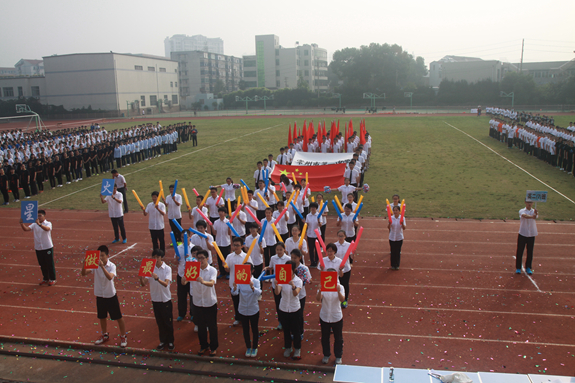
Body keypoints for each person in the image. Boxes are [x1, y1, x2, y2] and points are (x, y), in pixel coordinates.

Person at [81, 245, 127, 348]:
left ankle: (123, 336)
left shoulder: (112, 266)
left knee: (118, 317)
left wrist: (101, 267)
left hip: (110, 295)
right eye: (99, 255)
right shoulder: (95, 264)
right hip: (99, 295)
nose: (100, 258)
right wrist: (85, 264)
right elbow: (83, 273)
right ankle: (105, 334)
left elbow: (110, 277)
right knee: (102, 316)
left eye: (102, 255)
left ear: (107, 255)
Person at [139, 249, 174, 351]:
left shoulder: (167, 268)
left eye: (157, 257)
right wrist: (141, 277)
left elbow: (166, 284)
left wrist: (157, 278)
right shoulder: (149, 267)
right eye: (153, 257)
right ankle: (163, 340)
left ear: (161, 257)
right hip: (155, 299)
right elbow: (143, 283)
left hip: (165, 299)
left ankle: (171, 341)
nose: (155, 259)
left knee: (168, 322)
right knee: (160, 322)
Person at [186, 249, 218, 356]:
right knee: (201, 327)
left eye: (202, 258)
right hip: (197, 302)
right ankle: (203, 346)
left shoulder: (212, 270)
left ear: (207, 258)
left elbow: (212, 283)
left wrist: (203, 281)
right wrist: (185, 273)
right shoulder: (193, 269)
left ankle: (213, 347)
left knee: (212, 326)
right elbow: (184, 282)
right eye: (198, 258)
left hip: (210, 302)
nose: (200, 260)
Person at [316, 268, 345, 365]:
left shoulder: (340, 286)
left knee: (338, 338)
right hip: (324, 315)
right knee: (325, 337)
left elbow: (342, 300)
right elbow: (318, 299)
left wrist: (338, 291)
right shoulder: (323, 285)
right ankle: (326, 354)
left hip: (336, 316)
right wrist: (320, 290)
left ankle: (338, 356)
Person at [232, 263, 261, 357]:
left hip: (253, 309)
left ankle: (255, 347)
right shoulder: (240, 280)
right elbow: (235, 293)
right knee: (245, 329)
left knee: (254, 329)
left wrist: (252, 287)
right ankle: (248, 347)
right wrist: (235, 288)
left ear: (252, 271)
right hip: (243, 309)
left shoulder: (256, 281)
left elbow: (259, 293)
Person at [20, 209, 56, 285]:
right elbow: (26, 229)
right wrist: (22, 223)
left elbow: (47, 229)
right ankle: (45, 278)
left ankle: (52, 279)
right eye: (37, 216)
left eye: (40, 216)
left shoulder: (48, 223)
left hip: (47, 246)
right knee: (42, 264)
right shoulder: (34, 224)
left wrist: (39, 224)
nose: (38, 217)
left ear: (44, 216)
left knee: (49, 263)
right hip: (38, 247)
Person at [275, 260, 303, 359]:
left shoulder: (298, 280)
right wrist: (276, 284)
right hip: (283, 308)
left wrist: (293, 286)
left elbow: (296, 294)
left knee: (296, 331)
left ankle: (297, 349)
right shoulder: (282, 278)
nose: (287, 271)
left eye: (289, 270)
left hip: (294, 308)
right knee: (286, 330)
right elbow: (277, 293)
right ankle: (288, 347)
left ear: (294, 270)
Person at [225, 237, 252, 326]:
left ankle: (245, 318)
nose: (236, 247)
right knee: (236, 301)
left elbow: (251, 269)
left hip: (244, 283)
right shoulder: (229, 256)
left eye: (238, 245)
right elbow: (228, 270)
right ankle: (238, 317)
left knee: (244, 302)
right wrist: (225, 267)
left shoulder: (246, 256)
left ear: (242, 246)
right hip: (233, 283)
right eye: (234, 245)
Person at [267, 242, 291, 330]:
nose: (279, 251)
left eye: (281, 249)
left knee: (286, 301)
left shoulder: (288, 259)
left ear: (284, 249)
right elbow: (271, 267)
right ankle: (280, 321)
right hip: (276, 285)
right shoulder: (273, 258)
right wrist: (266, 268)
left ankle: (287, 321)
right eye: (277, 250)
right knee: (278, 303)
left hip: (285, 285)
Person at [292, 249, 311, 341]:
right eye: (291, 257)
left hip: (301, 295)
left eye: (295, 258)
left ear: (299, 258)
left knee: (299, 315)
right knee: (291, 315)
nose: (293, 259)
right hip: (291, 295)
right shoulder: (288, 267)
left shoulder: (304, 268)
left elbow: (308, 280)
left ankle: (300, 332)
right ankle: (293, 332)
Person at [516, 200, 538, 275]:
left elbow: (536, 217)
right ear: (525, 202)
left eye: (531, 202)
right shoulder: (522, 210)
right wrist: (532, 216)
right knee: (520, 251)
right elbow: (524, 216)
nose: (529, 204)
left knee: (530, 251)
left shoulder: (534, 211)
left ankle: (528, 267)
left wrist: (535, 214)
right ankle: (518, 268)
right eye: (528, 202)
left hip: (531, 234)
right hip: (523, 233)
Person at [213, 207, 232, 278]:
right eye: (219, 212)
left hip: (226, 243)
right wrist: (211, 227)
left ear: (225, 213)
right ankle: (222, 272)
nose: (220, 213)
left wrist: (229, 228)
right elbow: (215, 233)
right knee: (219, 259)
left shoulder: (228, 222)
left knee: (227, 258)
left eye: (222, 212)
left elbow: (229, 233)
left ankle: (228, 272)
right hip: (218, 243)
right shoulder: (216, 222)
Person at [335, 230, 352, 308]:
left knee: (345, 285)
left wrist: (354, 252)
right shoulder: (335, 245)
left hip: (346, 268)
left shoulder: (349, 245)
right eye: (339, 236)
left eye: (342, 236)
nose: (340, 237)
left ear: (345, 236)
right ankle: (337, 299)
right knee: (337, 284)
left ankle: (344, 300)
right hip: (336, 269)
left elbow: (352, 257)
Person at [388, 205, 406, 270]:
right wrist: (389, 224)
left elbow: (404, 228)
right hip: (392, 237)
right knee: (392, 251)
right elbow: (389, 228)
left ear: (399, 211)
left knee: (397, 251)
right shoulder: (391, 218)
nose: (395, 212)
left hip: (399, 237)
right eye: (394, 210)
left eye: (396, 210)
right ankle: (393, 265)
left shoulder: (402, 218)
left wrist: (402, 224)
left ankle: (397, 264)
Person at [305, 202, 321, 267]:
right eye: (312, 207)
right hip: (310, 234)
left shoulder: (319, 215)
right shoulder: (308, 215)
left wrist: (319, 220)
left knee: (317, 249)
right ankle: (312, 262)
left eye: (314, 207)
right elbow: (307, 224)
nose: (313, 209)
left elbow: (320, 225)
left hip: (317, 235)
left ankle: (316, 261)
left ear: (316, 208)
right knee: (311, 249)